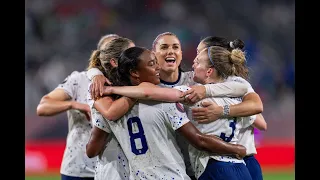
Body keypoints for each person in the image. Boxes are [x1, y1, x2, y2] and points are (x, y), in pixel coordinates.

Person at [87, 32, 264, 179]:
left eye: (176, 47)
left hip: (204, 166)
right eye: (163, 47)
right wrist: (96, 75)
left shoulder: (190, 84)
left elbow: (258, 113)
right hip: (193, 169)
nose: (193, 61)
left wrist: (220, 109)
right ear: (154, 53)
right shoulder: (174, 96)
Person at [36, 34, 120, 180]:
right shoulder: (79, 80)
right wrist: (74, 104)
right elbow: (43, 107)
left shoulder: (128, 84)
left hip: (113, 170)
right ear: (99, 55)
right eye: (108, 50)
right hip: (78, 169)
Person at [192, 36, 267, 180]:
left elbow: (260, 119)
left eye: (199, 52)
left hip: (240, 157)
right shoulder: (202, 82)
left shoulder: (235, 82)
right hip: (228, 158)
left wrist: (221, 111)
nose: (196, 58)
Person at [86, 36, 136, 180]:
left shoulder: (137, 82)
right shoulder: (99, 89)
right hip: (114, 172)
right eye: (130, 53)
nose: (136, 56)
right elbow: (92, 149)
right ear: (114, 62)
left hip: (141, 170)